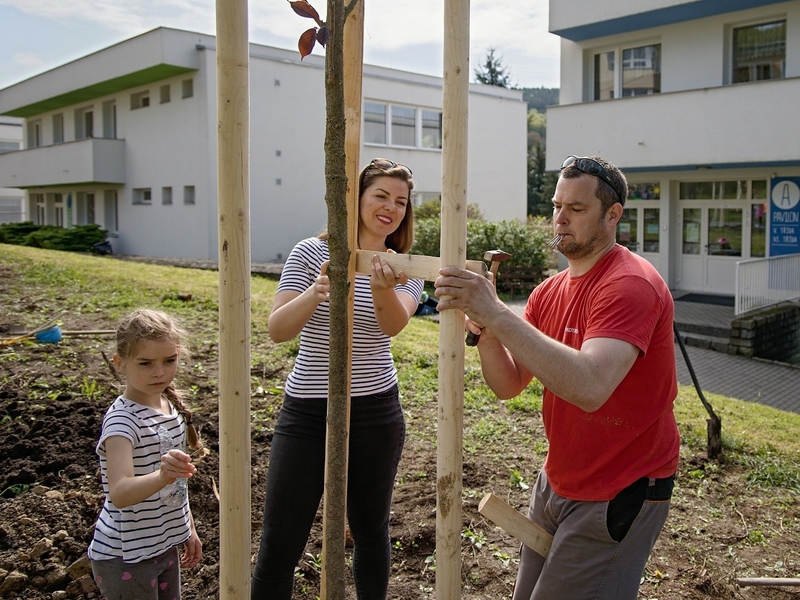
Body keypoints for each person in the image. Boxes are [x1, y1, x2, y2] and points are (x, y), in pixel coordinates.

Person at [434, 155, 680, 600]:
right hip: (560, 479)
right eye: (556, 205)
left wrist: (496, 312)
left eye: (577, 209)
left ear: (613, 214)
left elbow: (589, 388)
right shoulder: (548, 292)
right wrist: (489, 335)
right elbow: (508, 385)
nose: (560, 219)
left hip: (621, 486)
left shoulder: (629, 285)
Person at [251, 158, 424, 599]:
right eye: (381, 196)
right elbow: (277, 330)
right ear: (357, 199)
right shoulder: (310, 252)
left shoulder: (406, 269)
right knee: (280, 539)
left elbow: (391, 327)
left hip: (375, 412)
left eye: (400, 202)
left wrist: (384, 287)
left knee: (370, 529)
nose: (390, 208)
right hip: (308, 410)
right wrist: (317, 291)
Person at [88, 308, 205, 599]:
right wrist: (162, 475)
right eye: (145, 363)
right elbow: (120, 492)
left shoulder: (169, 407)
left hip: (163, 545)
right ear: (119, 364)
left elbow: (178, 485)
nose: (159, 372)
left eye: (169, 360)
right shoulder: (122, 422)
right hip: (125, 556)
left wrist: (187, 528)